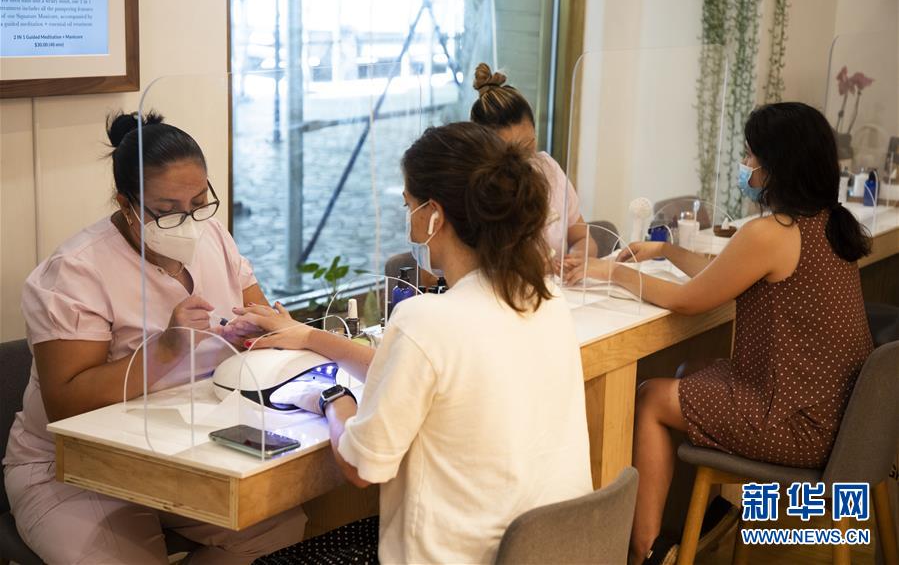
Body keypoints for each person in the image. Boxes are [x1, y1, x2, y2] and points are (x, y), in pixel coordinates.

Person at [234, 122, 593, 564]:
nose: (409, 226)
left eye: (409, 207)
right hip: (549, 552)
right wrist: (311, 336)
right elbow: (426, 371)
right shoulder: (546, 300)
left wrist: (331, 398)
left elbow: (361, 467)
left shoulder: (428, 319)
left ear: (434, 214)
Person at [566, 102, 874, 564]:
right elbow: (725, 273)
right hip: (843, 420)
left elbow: (689, 301)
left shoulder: (772, 233)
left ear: (776, 167)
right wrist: (665, 250)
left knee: (651, 398)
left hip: (799, 427)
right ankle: (699, 519)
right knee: (692, 370)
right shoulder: (829, 224)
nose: (744, 165)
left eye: (750, 156)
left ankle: (647, 552)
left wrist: (613, 273)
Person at [3, 111, 307, 564]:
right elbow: (66, 404)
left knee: (278, 531)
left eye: (199, 203)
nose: (188, 221)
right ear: (126, 205)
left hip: (187, 449)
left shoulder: (213, 237)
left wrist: (261, 333)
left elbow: (261, 322)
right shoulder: (75, 271)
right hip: (74, 468)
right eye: (166, 211)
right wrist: (166, 348)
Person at [470, 63, 596, 262]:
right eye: (510, 153)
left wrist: (576, 257)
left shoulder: (548, 169)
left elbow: (582, 237)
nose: (522, 160)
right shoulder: (474, 190)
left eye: (528, 146)